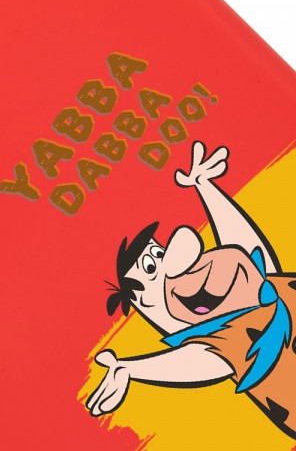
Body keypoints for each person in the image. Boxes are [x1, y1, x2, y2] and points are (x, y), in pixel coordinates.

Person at [87, 142, 296, 439]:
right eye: (152, 268)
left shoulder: (250, 281)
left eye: (158, 253)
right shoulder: (225, 337)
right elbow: (199, 362)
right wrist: (130, 369)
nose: (171, 260)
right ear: (145, 303)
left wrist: (204, 186)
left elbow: (246, 246)